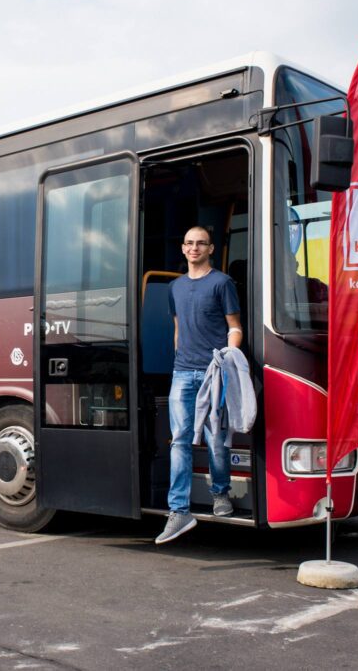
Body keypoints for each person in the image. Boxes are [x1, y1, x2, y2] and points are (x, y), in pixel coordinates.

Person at [155, 226, 243, 545]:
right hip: (182, 373)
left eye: (200, 243)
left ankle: (220, 493)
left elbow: (235, 327)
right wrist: (180, 358)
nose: (194, 248)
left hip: (213, 374)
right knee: (179, 440)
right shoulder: (175, 287)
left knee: (216, 440)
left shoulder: (222, 283)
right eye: (189, 243)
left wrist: (229, 358)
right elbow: (178, 330)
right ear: (183, 248)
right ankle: (178, 511)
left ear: (210, 249)